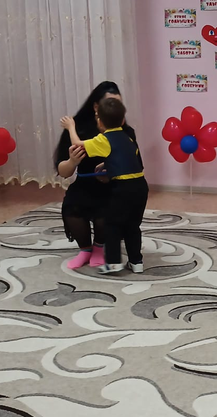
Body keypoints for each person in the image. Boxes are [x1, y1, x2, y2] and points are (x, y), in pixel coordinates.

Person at [55, 82, 137, 270]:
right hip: (84, 184)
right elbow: (63, 171)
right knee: (72, 209)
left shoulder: (125, 132)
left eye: (118, 104)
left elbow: (132, 161)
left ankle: (99, 247)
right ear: (95, 107)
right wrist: (72, 162)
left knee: (107, 213)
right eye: (110, 103)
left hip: (113, 186)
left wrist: (112, 171)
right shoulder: (80, 128)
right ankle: (85, 250)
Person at [71, 98, 148, 275]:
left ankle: (113, 263)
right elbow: (130, 160)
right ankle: (136, 262)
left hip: (122, 189)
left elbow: (77, 145)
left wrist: (70, 127)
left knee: (112, 225)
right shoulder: (128, 138)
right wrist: (108, 164)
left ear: (99, 122)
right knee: (132, 226)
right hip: (140, 186)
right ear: (122, 120)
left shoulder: (104, 139)